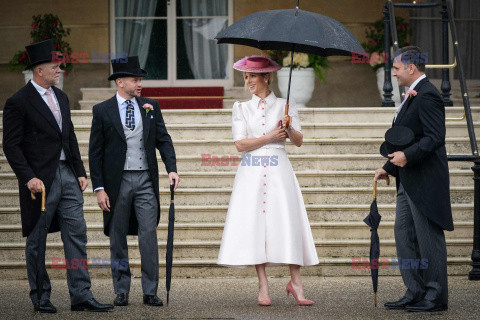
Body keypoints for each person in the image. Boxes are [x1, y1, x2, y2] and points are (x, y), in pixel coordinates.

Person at [2, 39, 113, 313]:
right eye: (55, 66)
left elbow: (69, 137)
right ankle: (40, 296)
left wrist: (80, 171)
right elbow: (11, 145)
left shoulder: (61, 97)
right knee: (37, 239)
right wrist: (28, 177)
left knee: (77, 234)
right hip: (40, 181)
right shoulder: (18, 101)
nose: (60, 69)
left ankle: (81, 295)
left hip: (67, 176)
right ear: (39, 69)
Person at [217, 56, 319, 306]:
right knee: (256, 225)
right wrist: (270, 136)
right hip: (251, 171)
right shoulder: (241, 108)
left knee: (287, 220)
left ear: (266, 77)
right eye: (246, 77)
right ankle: (263, 285)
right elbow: (240, 144)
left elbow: (298, 141)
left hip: (279, 169)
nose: (249, 81)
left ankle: (296, 284)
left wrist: (289, 127)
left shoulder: (286, 104)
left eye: (253, 76)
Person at [89, 56, 180, 307]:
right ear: (120, 82)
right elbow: (95, 153)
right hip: (116, 183)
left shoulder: (151, 106)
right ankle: (121, 289)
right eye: (134, 79)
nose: (139, 83)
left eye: (140, 79)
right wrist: (99, 188)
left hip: (145, 179)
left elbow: (163, 139)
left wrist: (171, 169)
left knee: (148, 235)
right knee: (117, 236)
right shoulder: (102, 110)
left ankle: (150, 290)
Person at [375, 46, 453, 312]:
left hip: (426, 181)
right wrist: (389, 166)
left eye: (396, 68)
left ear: (411, 68)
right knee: (403, 235)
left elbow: (435, 137)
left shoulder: (429, 94)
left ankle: (435, 295)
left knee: (428, 238)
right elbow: (407, 135)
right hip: (407, 180)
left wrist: (406, 157)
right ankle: (416, 290)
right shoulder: (411, 96)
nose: (393, 73)